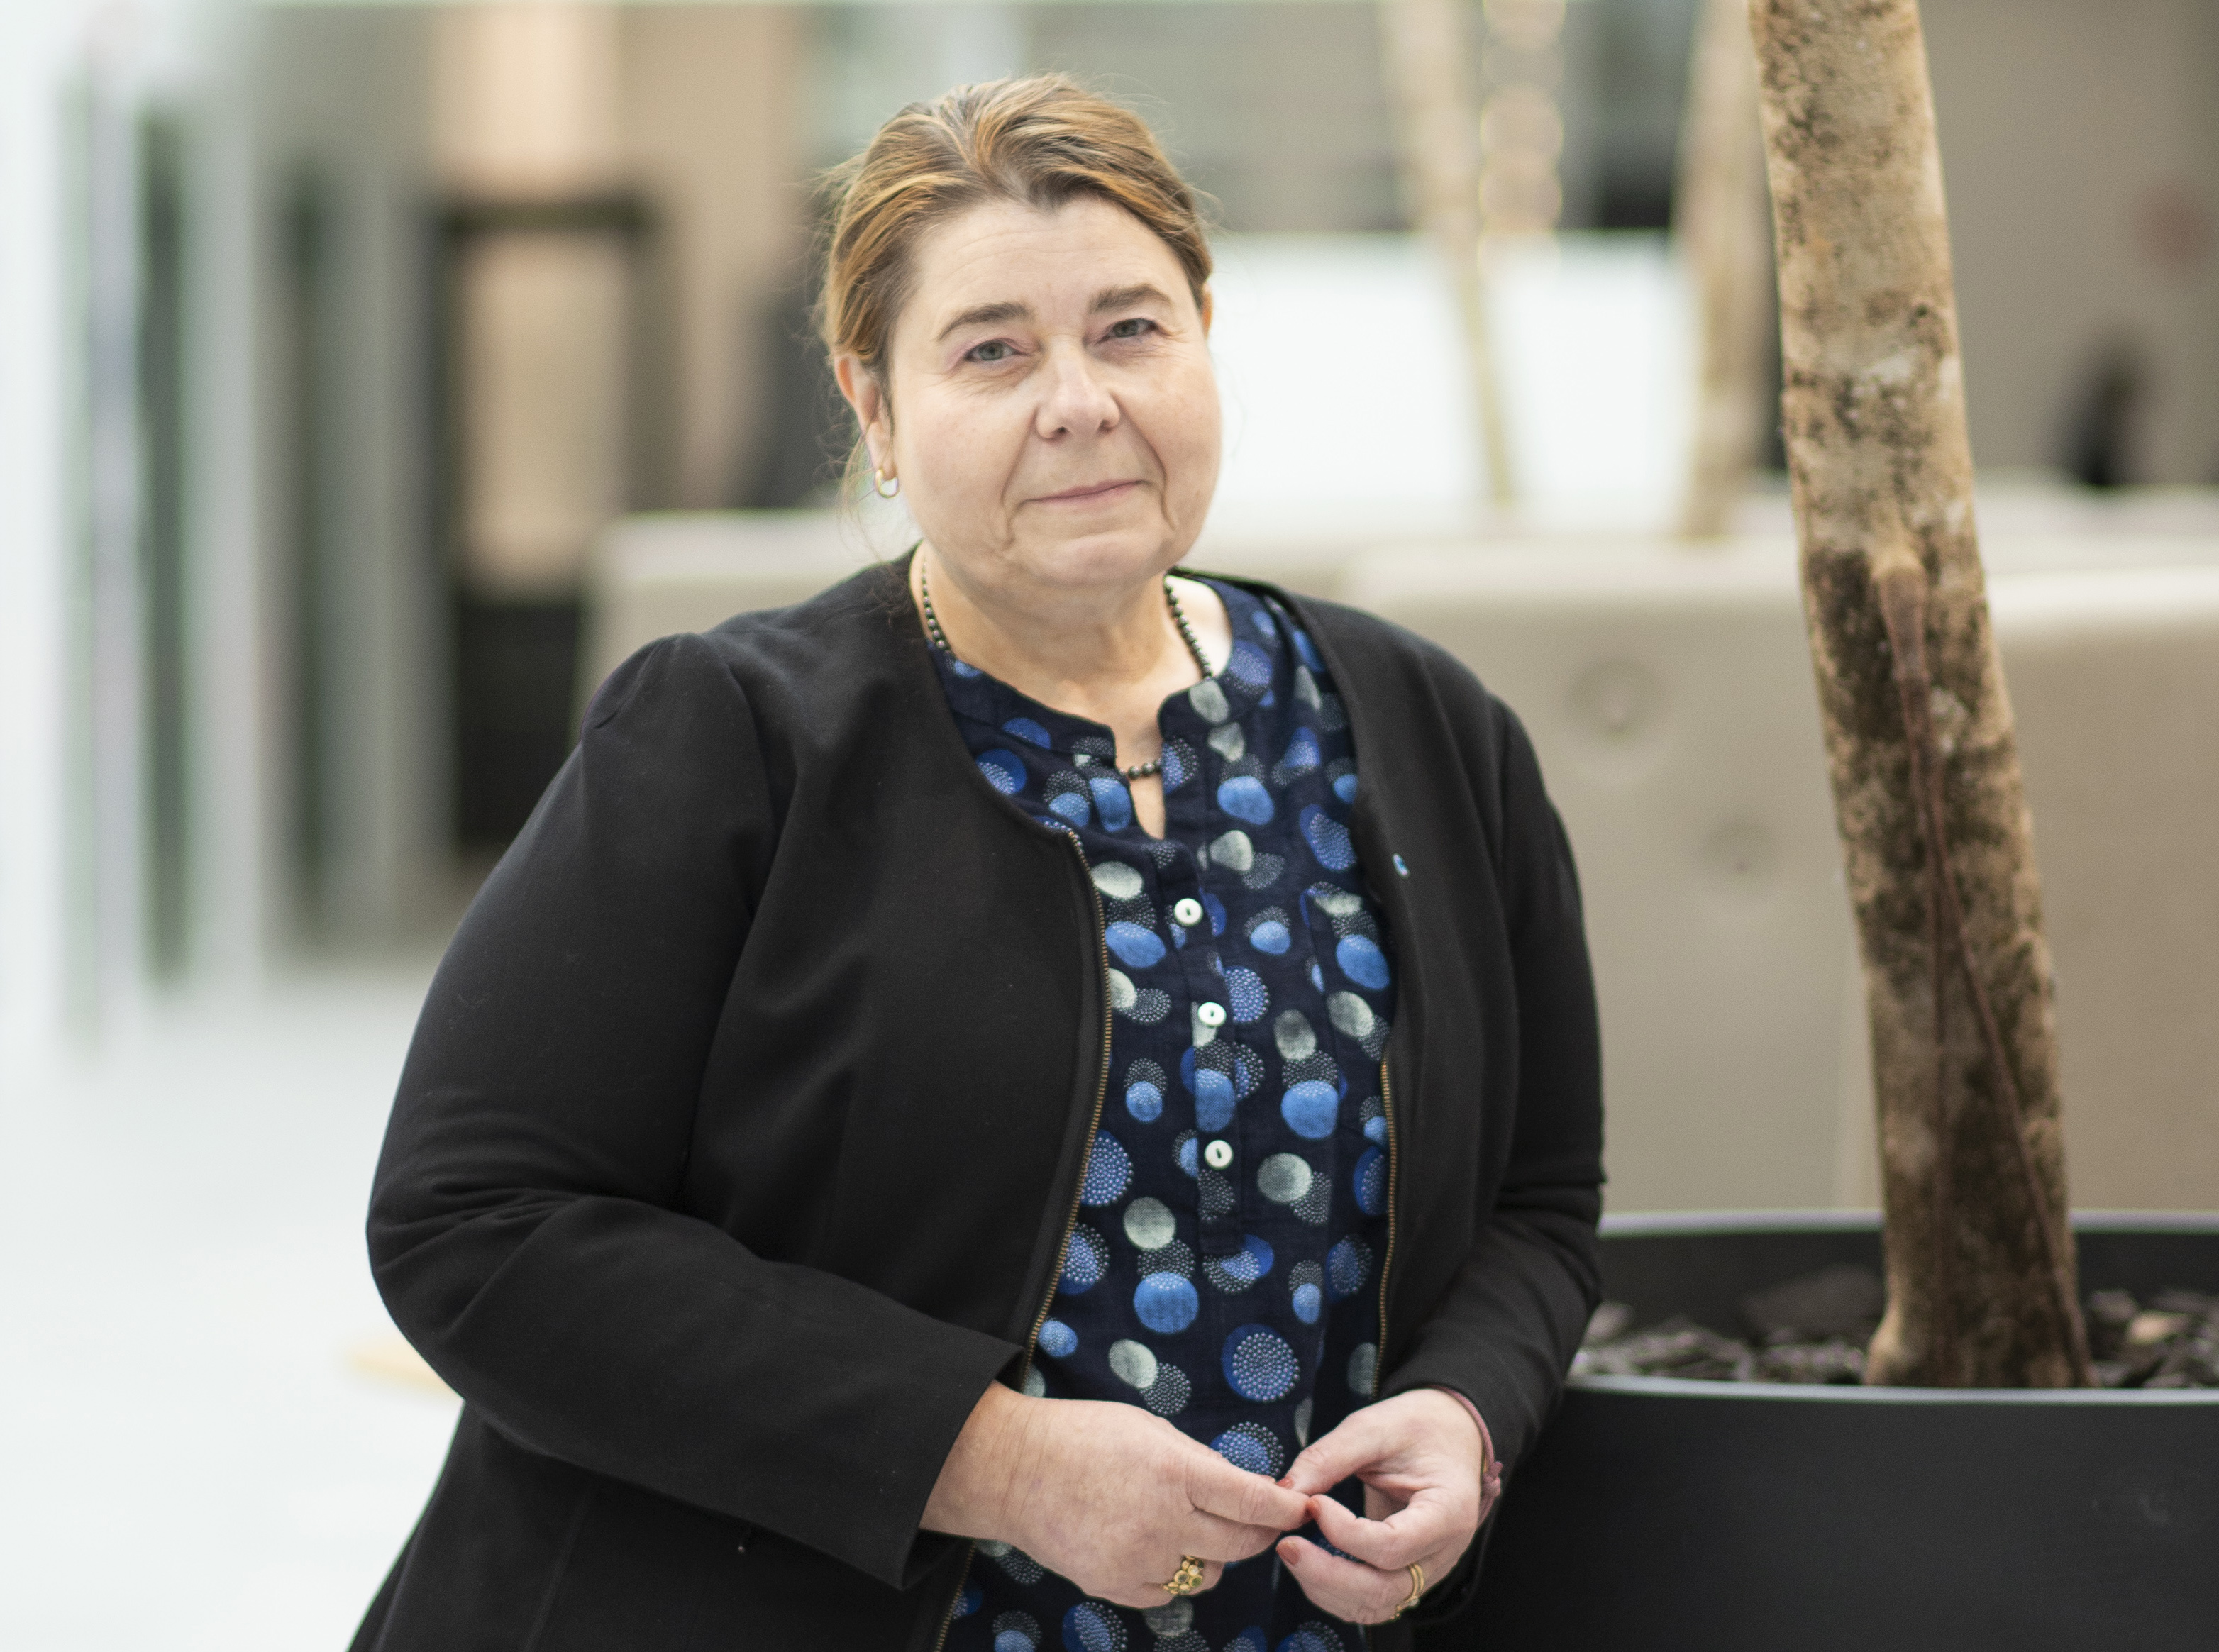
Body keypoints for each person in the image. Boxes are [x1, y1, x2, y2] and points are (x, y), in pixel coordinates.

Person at [353, 75, 1602, 1652]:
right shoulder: (727, 738)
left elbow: (1542, 1197)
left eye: (1130, 329)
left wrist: (1468, 1406)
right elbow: (473, 1222)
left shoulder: (1424, 728)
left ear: (1205, 339)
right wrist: (990, 1459)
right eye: (991, 351)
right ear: (873, 407)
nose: (1077, 401)